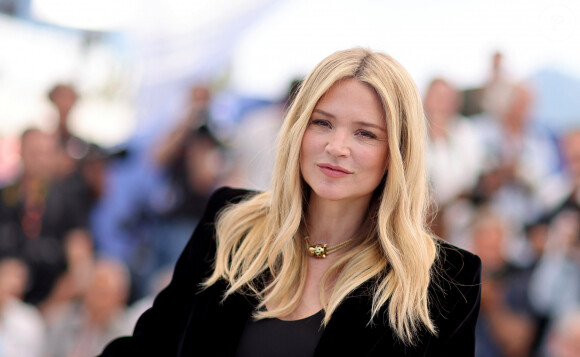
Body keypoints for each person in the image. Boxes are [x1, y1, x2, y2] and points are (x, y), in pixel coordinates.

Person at [100, 48, 481, 356]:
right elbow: (150, 347)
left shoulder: (445, 281)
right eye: (322, 122)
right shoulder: (231, 224)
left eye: (365, 134)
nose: (337, 147)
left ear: (397, 153)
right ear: (298, 128)